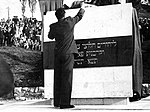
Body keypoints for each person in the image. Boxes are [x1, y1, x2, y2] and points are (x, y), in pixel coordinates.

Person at [48, 7, 85, 109]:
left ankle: (57, 102)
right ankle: (64, 103)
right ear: (64, 14)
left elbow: (50, 36)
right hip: (68, 54)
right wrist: (82, 8)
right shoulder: (69, 22)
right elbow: (79, 16)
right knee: (67, 78)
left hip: (58, 54)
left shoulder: (54, 26)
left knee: (58, 78)